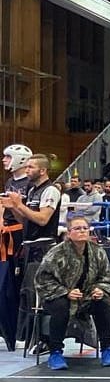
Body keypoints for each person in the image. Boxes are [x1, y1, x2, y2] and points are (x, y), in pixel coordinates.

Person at [33, 215, 110, 369]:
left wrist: (100, 289)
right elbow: (42, 280)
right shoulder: (56, 253)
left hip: (86, 296)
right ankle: (55, 352)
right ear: (69, 232)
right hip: (58, 296)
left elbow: (107, 277)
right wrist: (65, 292)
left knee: (103, 303)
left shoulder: (98, 251)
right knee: (61, 307)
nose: (82, 231)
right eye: (77, 228)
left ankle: (107, 349)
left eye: (85, 228)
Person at [1, 144, 32, 351]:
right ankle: (9, 330)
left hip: (21, 235)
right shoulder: (10, 182)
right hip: (6, 235)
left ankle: (24, 332)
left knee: (22, 285)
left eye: (7, 157)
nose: (4, 160)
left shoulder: (29, 184)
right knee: (7, 286)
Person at [1, 154, 61, 258]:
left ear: (42, 171)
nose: (26, 170)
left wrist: (19, 205)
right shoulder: (32, 190)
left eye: (30, 167)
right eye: (26, 167)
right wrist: (13, 207)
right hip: (29, 244)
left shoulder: (50, 190)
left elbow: (43, 220)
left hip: (43, 246)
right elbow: (24, 221)